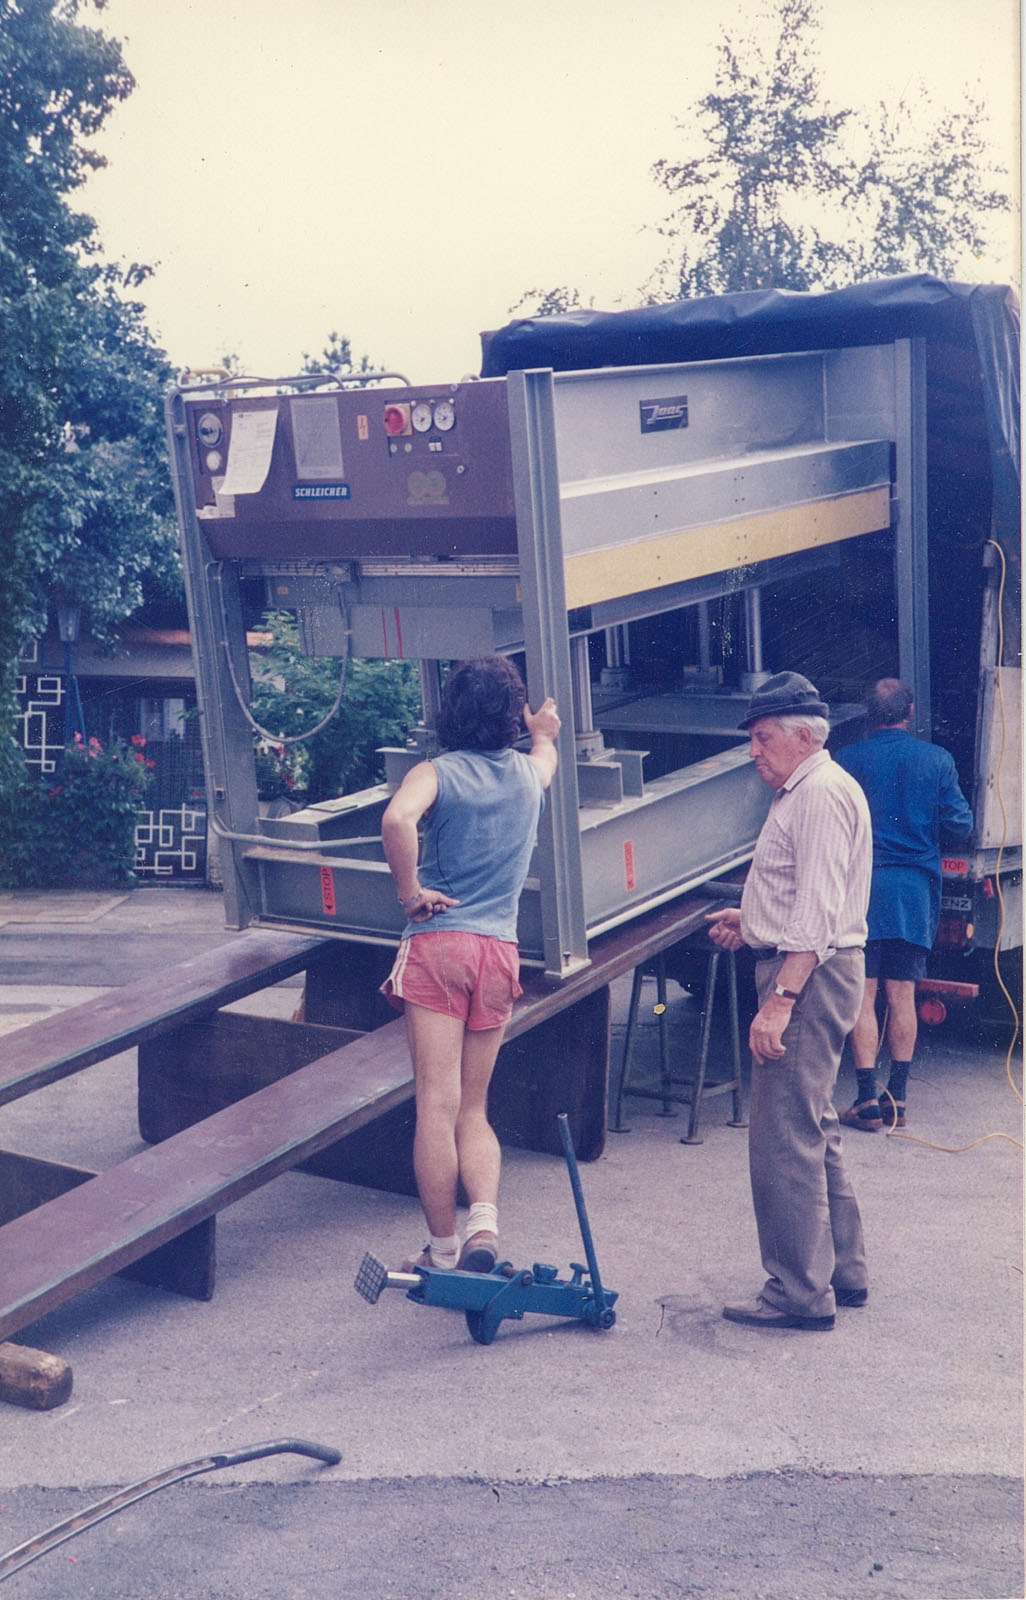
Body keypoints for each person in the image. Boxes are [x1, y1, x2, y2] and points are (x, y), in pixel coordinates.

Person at [380, 655, 560, 1275]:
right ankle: (485, 1223)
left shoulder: (436, 772)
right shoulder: (527, 776)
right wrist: (541, 731)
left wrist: (410, 893)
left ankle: (443, 1250)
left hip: (441, 946)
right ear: (509, 715)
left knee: (435, 1102)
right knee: (474, 1108)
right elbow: (547, 760)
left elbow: (397, 819)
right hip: (499, 954)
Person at [706, 671, 872, 1332]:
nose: (754, 749)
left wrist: (779, 1001)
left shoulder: (820, 794)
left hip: (808, 976)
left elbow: (817, 913)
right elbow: (799, 894)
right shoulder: (805, 790)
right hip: (809, 966)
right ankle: (844, 1272)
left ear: (805, 735)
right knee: (814, 1124)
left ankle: (798, 1293)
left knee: (783, 1138)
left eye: (763, 735)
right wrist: (750, 920)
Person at [835, 678, 973, 1131]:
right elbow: (960, 825)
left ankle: (865, 1099)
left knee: (863, 993)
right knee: (902, 994)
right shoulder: (936, 760)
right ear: (909, 711)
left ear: (868, 714)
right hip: (912, 893)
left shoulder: (846, 760)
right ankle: (900, 1099)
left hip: (862, 892)